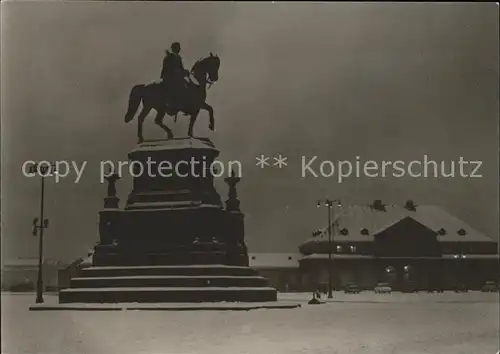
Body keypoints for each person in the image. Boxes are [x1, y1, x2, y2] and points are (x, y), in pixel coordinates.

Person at [160, 42, 190, 113]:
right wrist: (182, 72)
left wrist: (185, 72)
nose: (179, 49)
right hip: (170, 77)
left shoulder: (176, 57)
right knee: (181, 86)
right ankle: (174, 104)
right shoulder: (170, 57)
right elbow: (170, 68)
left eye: (179, 47)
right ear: (174, 48)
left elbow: (180, 68)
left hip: (173, 77)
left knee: (186, 83)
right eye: (178, 47)